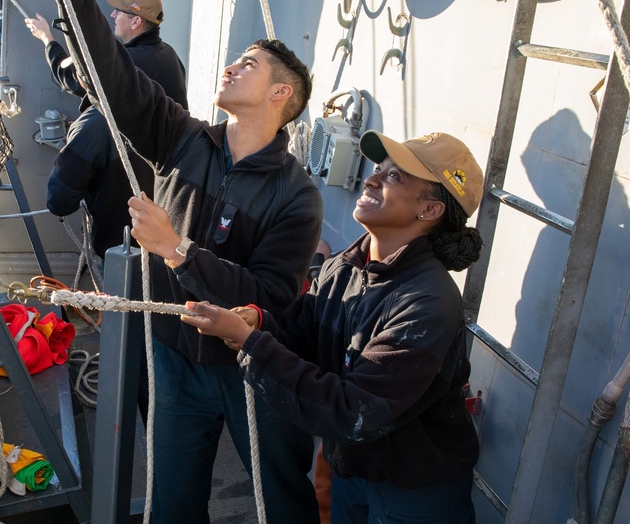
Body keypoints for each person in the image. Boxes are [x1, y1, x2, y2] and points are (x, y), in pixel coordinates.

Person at [26, 0, 324, 523]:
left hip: (251, 368)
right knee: (171, 502)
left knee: (282, 502)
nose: (229, 66)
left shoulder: (297, 196)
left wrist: (177, 249)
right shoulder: (182, 140)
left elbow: (270, 293)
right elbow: (111, 76)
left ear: (281, 94)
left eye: (248, 64)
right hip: (174, 358)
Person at [182, 130, 484, 524]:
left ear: (429, 210)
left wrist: (250, 343)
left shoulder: (428, 304)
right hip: (353, 474)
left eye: (395, 177)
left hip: (414, 496)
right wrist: (258, 322)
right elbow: (299, 335)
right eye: (379, 168)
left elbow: (354, 412)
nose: (372, 178)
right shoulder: (346, 265)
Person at [24, 0, 188, 259]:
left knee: (121, 284)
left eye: (120, 12)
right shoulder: (169, 57)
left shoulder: (105, 102)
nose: (112, 15)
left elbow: (73, 79)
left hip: (121, 227)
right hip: (164, 210)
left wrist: (48, 41)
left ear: (136, 21)